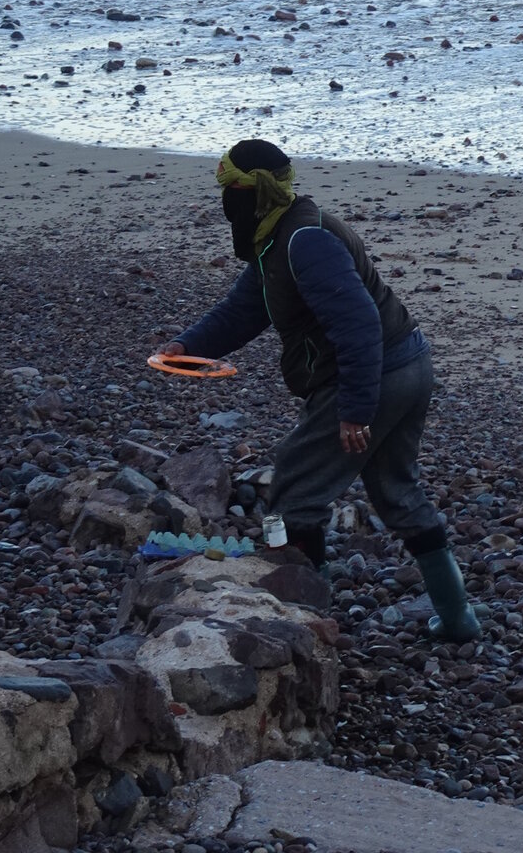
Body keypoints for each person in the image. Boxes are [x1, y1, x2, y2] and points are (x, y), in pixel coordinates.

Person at [156, 138, 480, 641]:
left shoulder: (306, 240)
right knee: (397, 491)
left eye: (231, 190)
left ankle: (305, 622)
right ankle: (460, 620)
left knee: (292, 493)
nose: (224, 201)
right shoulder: (278, 236)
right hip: (407, 364)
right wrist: (186, 345)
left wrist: (355, 410)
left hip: (379, 375)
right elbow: (246, 308)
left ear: (255, 191)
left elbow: (359, 326)